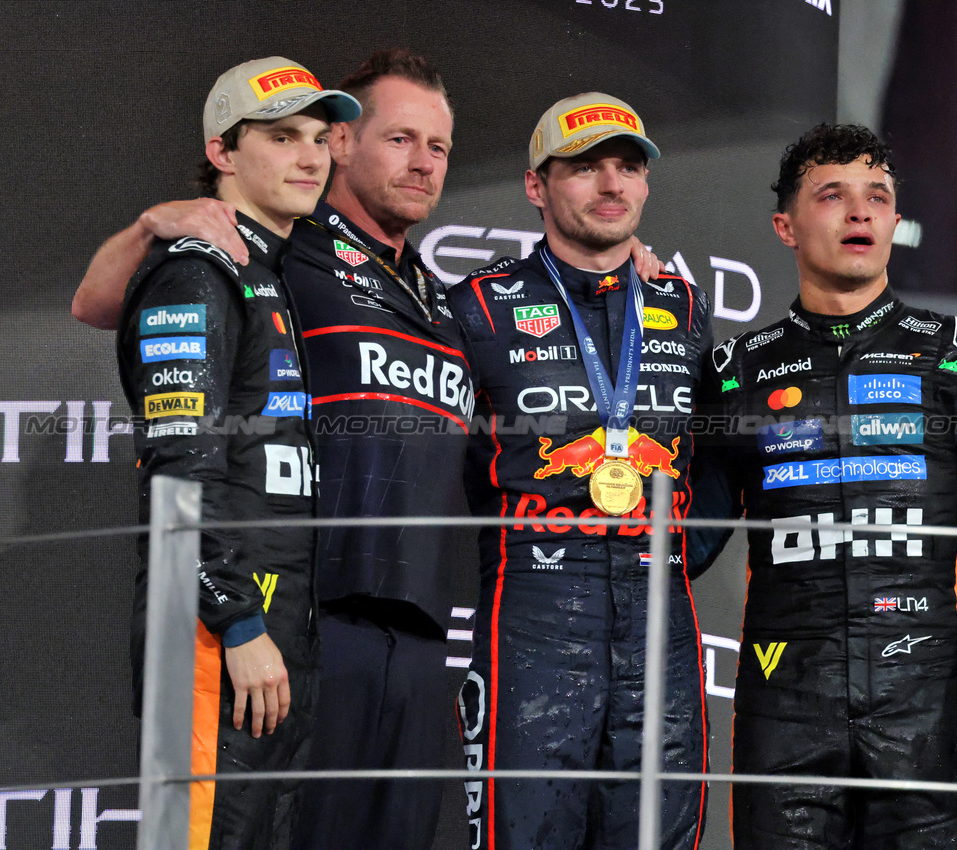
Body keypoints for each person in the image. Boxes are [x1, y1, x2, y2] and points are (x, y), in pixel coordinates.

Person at [74, 51, 662, 850]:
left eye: (439, 147)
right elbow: (101, 304)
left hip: (421, 632)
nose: (422, 163)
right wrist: (154, 224)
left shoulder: (437, 293)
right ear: (346, 147)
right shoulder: (285, 246)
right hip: (315, 617)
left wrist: (626, 285)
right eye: (399, 139)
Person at [692, 123, 957, 849]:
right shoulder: (735, 369)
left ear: (891, 220)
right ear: (784, 226)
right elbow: (692, 543)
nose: (859, 212)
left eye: (876, 196)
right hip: (781, 708)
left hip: (923, 710)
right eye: (833, 195)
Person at [447, 93, 711, 850]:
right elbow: (449, 461)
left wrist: (664, 551)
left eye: (626, 167)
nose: (610, 184)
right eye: (585, 167)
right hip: (533, 604)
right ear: (537, 186)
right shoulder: (476, 306)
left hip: (659, 613)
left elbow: (715, 467)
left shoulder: (684, 308)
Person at [115, 56, 360, 848]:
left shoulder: (269, 266)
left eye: (319, 138)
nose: (310, 157)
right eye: (281, 136)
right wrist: (239, 623)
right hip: (217, 627)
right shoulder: (197, 272)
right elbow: (179, 473)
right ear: (222, 152)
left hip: (270, 620)